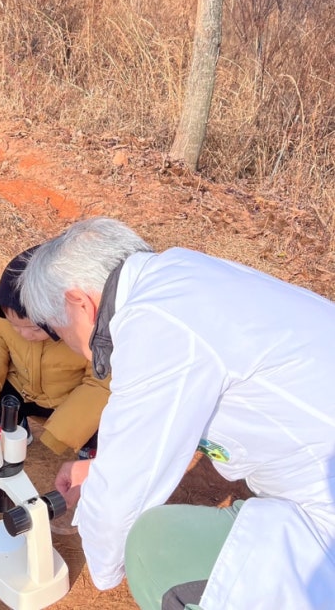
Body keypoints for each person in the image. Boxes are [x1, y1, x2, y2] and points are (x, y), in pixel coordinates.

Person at [19, 217, 335, 610]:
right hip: (316, 469)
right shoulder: (180, 273)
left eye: (56, 330)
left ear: (79, 303)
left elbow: (121, 494)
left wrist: (105, 567)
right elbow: (168, 426)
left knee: (155, 549)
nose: (64, 342)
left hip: (325, 512)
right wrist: (100, 472)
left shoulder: (157, 326)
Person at [0, 246, 109, 457]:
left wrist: (63, 431)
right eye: (15, 325)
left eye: (34, 328)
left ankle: (89, 450)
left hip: (65, 399)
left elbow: (99, 383)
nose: (24, 334)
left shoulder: (85, 335)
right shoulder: (6, 314)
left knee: (98, 422)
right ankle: (14, 426)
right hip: (22, 388)